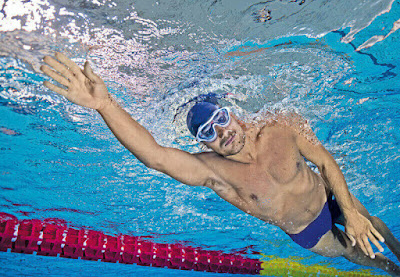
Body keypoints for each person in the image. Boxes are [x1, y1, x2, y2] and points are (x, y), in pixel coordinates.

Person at [41, 52, 400, 276]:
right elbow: (154, 156)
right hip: (307, 229)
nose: (220, 133)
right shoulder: (215, 173)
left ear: (233, 113)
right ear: (201, 142)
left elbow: (324, 161)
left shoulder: (281, 127)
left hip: (327, 195)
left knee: (373, 225)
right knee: (358, 252)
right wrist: (106, 106)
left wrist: (350, 212)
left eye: (220, 119)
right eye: (207, 133)